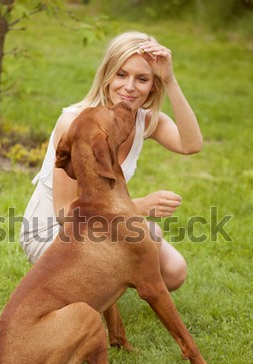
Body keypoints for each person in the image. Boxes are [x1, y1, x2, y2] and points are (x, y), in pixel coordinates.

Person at [19, 31, 203, 292]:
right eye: (121, 74)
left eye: (142, 79)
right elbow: (64, 213)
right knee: (147, 235)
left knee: (173, 271)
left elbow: (191, 144)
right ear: (107, 75)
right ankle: (88, 284)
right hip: (53, 230)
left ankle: (103, 281)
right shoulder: (74, 123)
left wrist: (170, 80)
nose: (129, 86)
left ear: (153, 85)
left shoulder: (144, 120)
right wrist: (137, 207)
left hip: (98, 222)